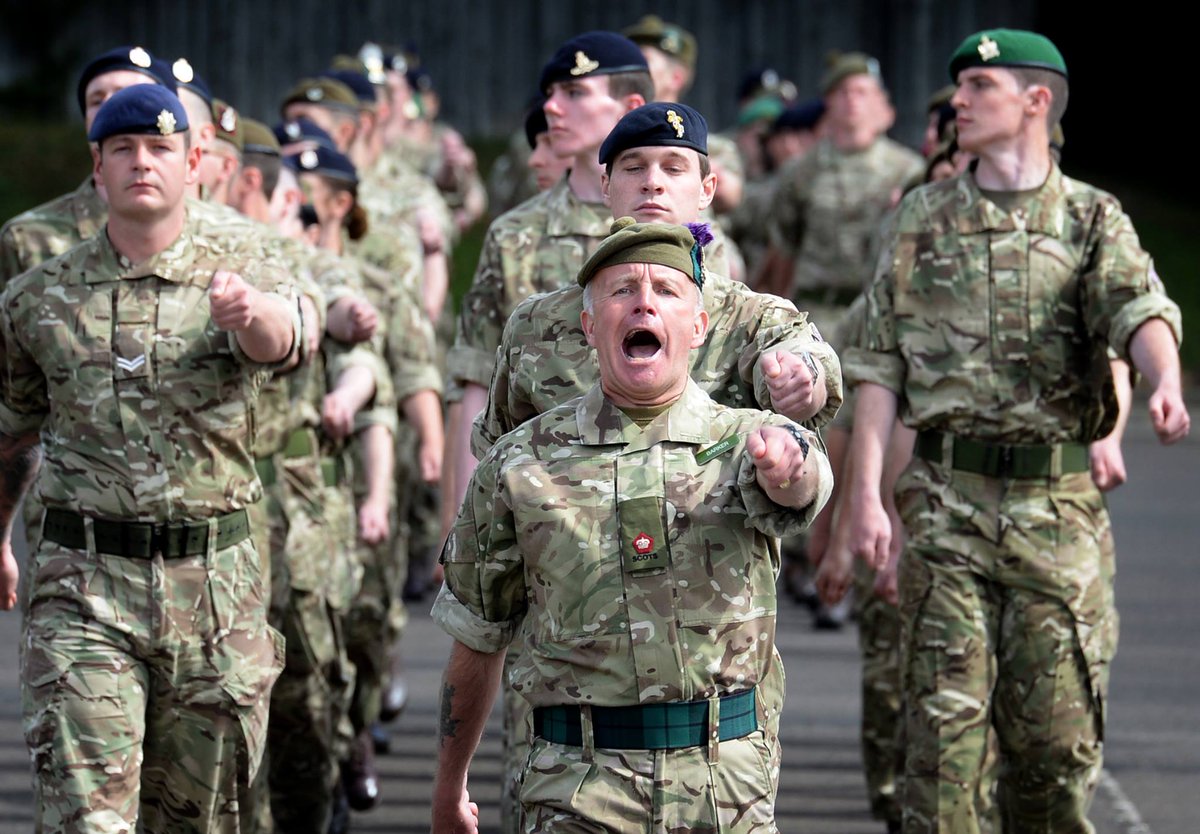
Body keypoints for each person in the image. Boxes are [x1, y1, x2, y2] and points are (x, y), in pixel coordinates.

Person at [845, 29, 1190, 833]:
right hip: (943, 509)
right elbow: (879, 369)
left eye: (980, 85)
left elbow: (1137, 309)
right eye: (957, 85)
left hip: (1055, 517)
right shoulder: (920, 218)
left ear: (1037, 101)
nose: (958, 99)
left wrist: (1166, 376)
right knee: (940, 752)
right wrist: (867, 497)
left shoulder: (1090, 217)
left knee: (1055, 754)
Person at [474, 101, 841, 833]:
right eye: (635, 168)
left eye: (675, 168)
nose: (653, 182)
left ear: (708, 187)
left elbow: (812, 366)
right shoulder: (544, 325)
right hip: (571, 665)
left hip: (704, 666)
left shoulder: (743, 317)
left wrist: (800, 380)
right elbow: (499, 460)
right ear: (604, 183)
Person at [0, 84, 297, 832]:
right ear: (95, 168)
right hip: (83, 586)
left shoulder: (248, 263)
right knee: (87, 822)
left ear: (195, 160)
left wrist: (250, 313)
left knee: (196, 820)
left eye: (160, 148)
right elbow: (13, 430)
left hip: (214, 595)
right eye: (122, 149)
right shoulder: (39, 298)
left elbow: (289, 338)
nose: (142, 163)